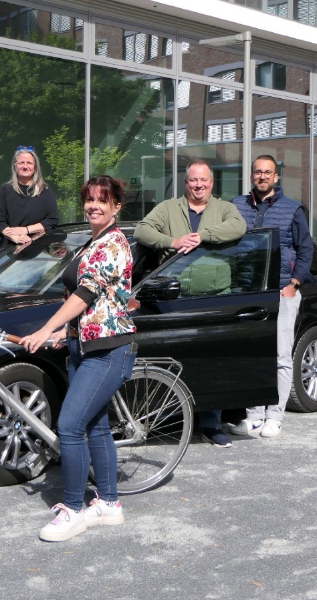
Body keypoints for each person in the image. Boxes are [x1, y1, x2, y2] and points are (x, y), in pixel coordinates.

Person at [22, 175, 136, 542]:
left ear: (117, 206)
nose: (94, 206)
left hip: (107, 351)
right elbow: (90, 304)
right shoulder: (93, 242)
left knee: (70, 427)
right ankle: (109, 505)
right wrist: (63, 333)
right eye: (89, 200)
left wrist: (44, 329)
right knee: (96, 428)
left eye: (102, 200)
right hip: (84, 347)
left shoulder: (113, 244)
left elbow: (85, 295)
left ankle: (72, 509)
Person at [133, 159, 247, 448]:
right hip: (175, 297)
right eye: (193, 180)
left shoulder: (224, 209)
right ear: (186, 183)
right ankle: (171, 420)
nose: (199, 185)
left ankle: (211, 424)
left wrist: (203, 237)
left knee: (212, 361)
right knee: (176, 360)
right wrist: (173, 241)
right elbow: (142, 231)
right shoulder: (169, 208)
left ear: (212, 183)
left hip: (214, 299)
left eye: (204, 181)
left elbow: (239, 227)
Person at [226, 154, 313, 439]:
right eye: (258, 172)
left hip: (282, 291)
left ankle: (275, 416)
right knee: (252, 354)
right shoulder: (237, 206)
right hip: (249, 292)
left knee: (280, 357)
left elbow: (305, 249)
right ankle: (253, 417)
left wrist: (295, 282)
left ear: (276, 177)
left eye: (268, 173)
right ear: (252, 176)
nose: (262, 176)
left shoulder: (293, 209)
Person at [0, 146, 60, 249]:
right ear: (15, 166)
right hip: (7, 250)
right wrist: (15, 238)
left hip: (36, 249)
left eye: (29, 163)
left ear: (35, 167)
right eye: (21, 163)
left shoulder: (45, 190)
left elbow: (52, 220)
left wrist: (26, 230)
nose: (25, 166)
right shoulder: (5, 190)